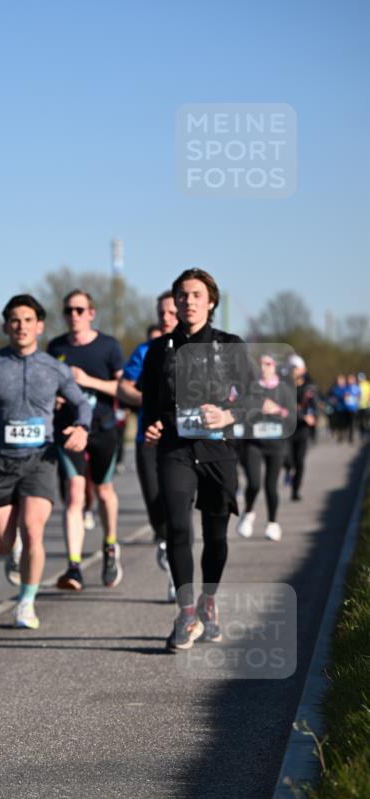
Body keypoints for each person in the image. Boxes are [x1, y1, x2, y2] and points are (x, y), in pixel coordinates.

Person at [0, 294, 91, 629]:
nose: (21, 326)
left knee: (33, 530)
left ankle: (26, 602)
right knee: (1, 543)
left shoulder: (54, 368)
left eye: (28, 320)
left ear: (40, 326)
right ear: (6, 326)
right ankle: (12, 550)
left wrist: (82, 428)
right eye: (15, 320)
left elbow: (82, 405)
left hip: (39, 460)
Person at [142, 268, 255, 652]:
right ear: (174, 302)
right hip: (174, 448)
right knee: (177, 527)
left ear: (210, 302)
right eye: (182, 295)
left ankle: (209, 600)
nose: (188, 301)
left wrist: (228, 415)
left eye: (195, 294)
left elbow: (255, 400)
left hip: (218, 450)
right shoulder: (159, 349)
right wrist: (153, 427)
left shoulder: (230, 345)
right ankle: (186, 612)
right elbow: (151, 404)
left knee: (216, 535)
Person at [47, 291, 125, 591]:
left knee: (103, 491)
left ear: (91, 313)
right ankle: (74, 566)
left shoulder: (108, 346)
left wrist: (86, 381)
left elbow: (123, 388)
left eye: (80, 310)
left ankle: (109, 546)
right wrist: (54, 397)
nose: (74, 315)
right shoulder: (56, 347)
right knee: (75, 493)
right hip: (68, 429)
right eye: (69, 310)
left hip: (102, 428)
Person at [118, 291, 179, 601]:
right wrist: (150, 399)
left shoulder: (198, 350)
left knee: (179, 509)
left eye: (171, 312)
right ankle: (165, 542)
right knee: (157, 505)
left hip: (184, 443)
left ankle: (177, 578)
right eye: (161, 314)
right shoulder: (145, 351)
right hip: (149, 439)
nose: (166, 318)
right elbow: (124, 387)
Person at [236, 353, 294, 542]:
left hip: (276, 444)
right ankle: (249, 512)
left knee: (271, 486)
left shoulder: (284, 389)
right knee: (253, 483)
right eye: (260, 364)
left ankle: (272, 523)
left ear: (274, 366)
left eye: (268, 364)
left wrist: (278, 410)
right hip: (253, 442)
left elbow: (292, 416)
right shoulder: (250, 388)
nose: (264, 367)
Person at [283, 355, 318, 501]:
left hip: (302, 430)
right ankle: (287, 470)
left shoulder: (309, 387)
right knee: (288, 460)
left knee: (300, 462)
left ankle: (295, 491)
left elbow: (314, 407)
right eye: (292, 368)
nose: (295, 371)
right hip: (287, 429)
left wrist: (313, 417)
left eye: (297, 368)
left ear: (303, 370)